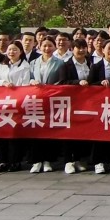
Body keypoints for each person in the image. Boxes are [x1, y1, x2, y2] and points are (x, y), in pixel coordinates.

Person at [0, 41, 32, 172]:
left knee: (15, 133)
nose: (11, 52)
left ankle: (15, 161)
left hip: (18, 103)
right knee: (3, 132)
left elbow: (25, 84)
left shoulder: (25, 66)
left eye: (15, 50)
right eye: (9, 50)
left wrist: (15, 88)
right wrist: (3, 82)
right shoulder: (2, 66)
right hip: (3, 103)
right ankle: (3, 160)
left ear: (21, 52)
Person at [26, 36, 64, 174]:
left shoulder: (60, 63)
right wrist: (32, 82)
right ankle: (36, 161)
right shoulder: (33, 62)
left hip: (51, 100)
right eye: (44, 46)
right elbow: (29, 78)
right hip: (36, 100)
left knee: (49, 130)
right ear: (39, 47)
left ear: (54, 47)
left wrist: (50, 88)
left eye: (50, 46)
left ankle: (48, 160)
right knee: (36, 130)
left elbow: (61, 81)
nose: (47, 48)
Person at [88, 39, 110, 174]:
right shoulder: (96, 67)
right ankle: (98, 162)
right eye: (109, 48)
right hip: (100, 105)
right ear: (102, 50)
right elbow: (90, 85)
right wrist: (100, 83)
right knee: (99, 134)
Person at [58, 39, 92, 174]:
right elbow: (63, 83)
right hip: (71, 103)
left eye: (84, 47)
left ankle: (78, 159)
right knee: (69, 132)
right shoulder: (66, 65)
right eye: (78, 47)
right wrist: (78, 82)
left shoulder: (90, 63)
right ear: (72, 49)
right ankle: (68, 161)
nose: (81, 50)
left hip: (87, 103)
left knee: (81, 132)